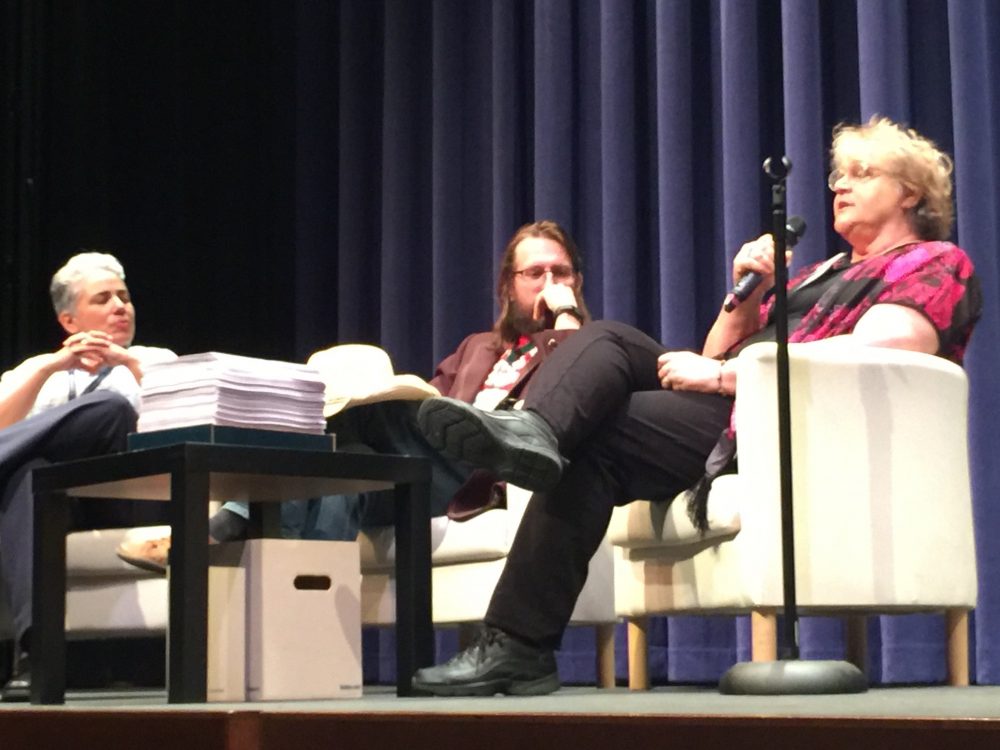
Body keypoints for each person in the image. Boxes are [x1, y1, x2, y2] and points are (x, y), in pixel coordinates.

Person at [411, 116, 983, 696]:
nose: (839, 185)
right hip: (735, 410)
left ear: (910, 192)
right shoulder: (820, 272)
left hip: (795, 427)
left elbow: (884, 345)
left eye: (860, 173)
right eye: (838, 174)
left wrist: (724, 374)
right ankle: (533, 438)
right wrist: (747, 292)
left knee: (596, 434)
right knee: (605, 341)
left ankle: (518, 641)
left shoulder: (932, 261)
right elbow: (719, 350)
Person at [118, 219, 591, 563]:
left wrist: (566, 320)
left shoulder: (590, 347)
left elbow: (571, 395)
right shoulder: (478, 348)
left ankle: (228, 520)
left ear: (576, 282)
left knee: (365, 415)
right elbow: (429, 405)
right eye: (534, 274)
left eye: (560, 272)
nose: (548, 284)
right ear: (509, 286)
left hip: (484, 474)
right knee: (344, 462)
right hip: (425, 473)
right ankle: (305, 634)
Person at [0, 252, 176, 701]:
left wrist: (124, 363)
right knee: (28, 476)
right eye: (104, 298)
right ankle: (35, 656)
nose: (121, 306)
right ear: (69, 320)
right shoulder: (39, 372)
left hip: (131, 494)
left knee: (111, 408)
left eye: (125, 296)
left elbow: (183, 419)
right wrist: (46, 368)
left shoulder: (155, 360)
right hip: (63, 506)